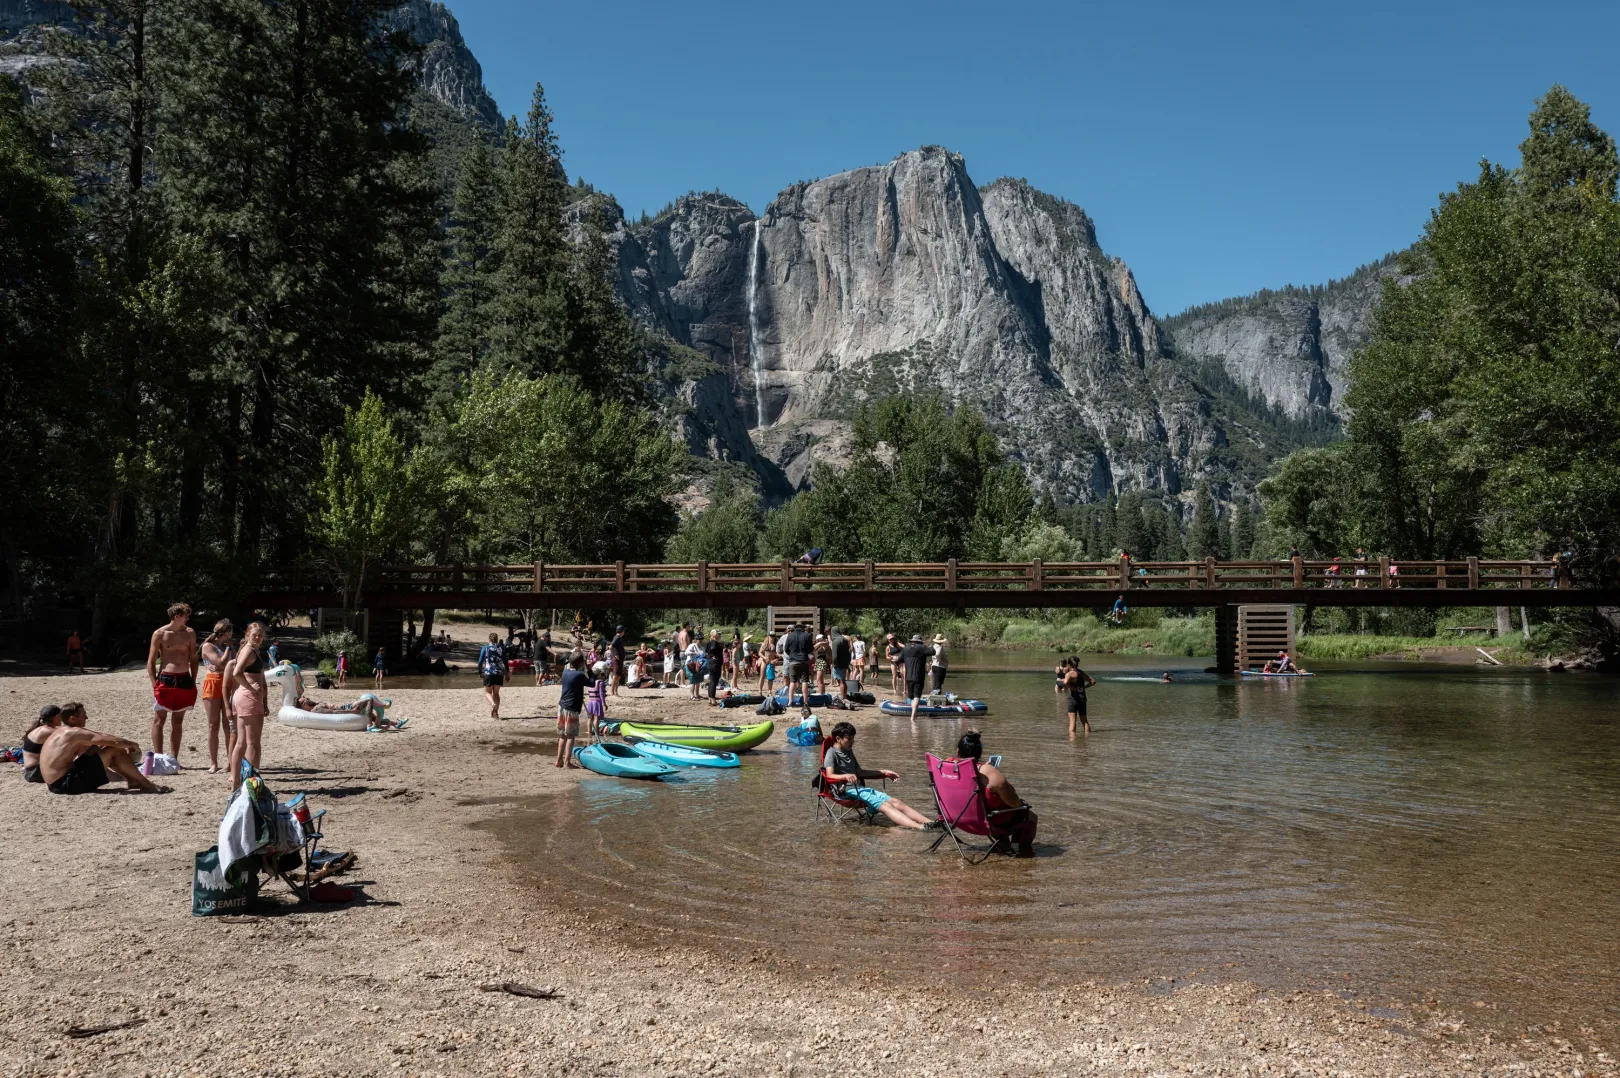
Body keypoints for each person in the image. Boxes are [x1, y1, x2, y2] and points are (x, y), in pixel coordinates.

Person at [819, 721, 936, 831]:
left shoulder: (848, 751)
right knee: (885, 806)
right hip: (845, 792)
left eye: (853, 738)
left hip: (859, 789)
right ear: (838, 739)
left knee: (896, 802)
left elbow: (860, 773)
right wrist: (845, 776)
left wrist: (883, 772)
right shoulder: (831, 753)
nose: (852, 742)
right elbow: (829, 775)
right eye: (849, 739)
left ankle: (931, 822)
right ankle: (919, 827)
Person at [39, 703, 171, 795]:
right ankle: (145, 783)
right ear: (72, 719)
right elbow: (113, 740)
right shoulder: (73, 733)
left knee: (99, 748)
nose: (86, 718)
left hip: (56, 782)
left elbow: (98, 742)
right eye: (83, 715)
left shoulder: (62, 730)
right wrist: (132, 745)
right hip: (65, 784)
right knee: (114, 749)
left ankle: (132, 780)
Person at [953, 730, 1036, 857]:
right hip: (986, 823)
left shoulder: (947, 768)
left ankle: (1003, 844)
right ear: (980, 753)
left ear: (958, 751)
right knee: (1030, 815)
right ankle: (1022, 853)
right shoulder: (989, 773)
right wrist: (990, 771)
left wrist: (983, 768)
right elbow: (1014, 802)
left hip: (956, 819)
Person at [146, 602, 198, 760]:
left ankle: (174, 758)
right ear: (177, 616)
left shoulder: (189, 633)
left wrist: (193, 680)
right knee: (159, 718)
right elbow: (151, 661)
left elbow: (194, 658)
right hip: (165, 678)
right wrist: (154, 682)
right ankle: (159, 756)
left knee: (178, 720)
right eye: (186, 615)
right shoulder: (160, 633)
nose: (188, 618)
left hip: (184, 678)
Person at [224, 621, 271, 788]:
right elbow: (237, 673)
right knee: (251, 743)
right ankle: (250, 782)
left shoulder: (253, 651)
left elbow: (260, 677)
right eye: (255, 635)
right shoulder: (248, 650)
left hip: (250, 698)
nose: (258, 637)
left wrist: (264, 701)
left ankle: (238, 781)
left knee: (244, 742)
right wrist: (251, 687)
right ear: (247, 636)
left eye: (260, 635)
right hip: (248, 697)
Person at [199, 619, 235, 774]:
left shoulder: (229, 646)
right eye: (230, 632)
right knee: (213, 725)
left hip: (228, 683)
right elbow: (221, 663)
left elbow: (233, 663)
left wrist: (229, 650)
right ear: (225, 633)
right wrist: (227, 650)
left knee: (229, 725)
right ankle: (213, 763)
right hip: (213, 683)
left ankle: (229, 762)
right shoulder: (209, 646)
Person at [555, 653, 593, 768]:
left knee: (563, 735)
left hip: (562, 707)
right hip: (571, 708)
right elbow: (591, 683)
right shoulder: (579, 675)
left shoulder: (565, 672)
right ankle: (567, 762)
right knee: (571, 735)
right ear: (580, 663)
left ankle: (559, 761)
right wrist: (589, 669)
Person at [19, 704, 63, 783]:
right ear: (57, 716)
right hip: (34, 772)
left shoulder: (41, 728)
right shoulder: (48, 731)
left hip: (30, 771)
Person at [783, 621, 814, 714]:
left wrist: (792, 655)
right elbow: (811, 649)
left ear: (795, 627)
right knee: (804, 681)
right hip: (804, 660)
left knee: (792, 681)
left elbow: (786, 649)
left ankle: (790, 701)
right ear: (803, 627)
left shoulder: (790, 635)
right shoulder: (807, 635)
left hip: (793, 661)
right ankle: (805, 702)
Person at [1060, 657, 1095, 737]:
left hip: (1073, 698)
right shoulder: (1081, 673)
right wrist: (1084, 687)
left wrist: (1063, 683)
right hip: (1082, 697)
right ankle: (1088, 738)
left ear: (1069, 665)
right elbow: (1093, 681)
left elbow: (1065, 683)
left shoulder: (1069, 674)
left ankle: (1072, 741)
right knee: (1084, 721)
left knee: (1072, 720)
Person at [900, 633, 932, 721]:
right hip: (918, 676)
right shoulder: (922, 648)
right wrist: (930, 646)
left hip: (908, 677)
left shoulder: (905, 648)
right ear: (920, 641)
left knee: (911, 697)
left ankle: (914, 714)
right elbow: (933, 652)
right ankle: (913, 716)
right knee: (917, 696)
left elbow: (899, 660)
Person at [478, 632, 508, 719]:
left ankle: (492, 704)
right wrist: (507, 673)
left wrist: (480, 671)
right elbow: (505, 661)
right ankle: (495, 713)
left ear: (489, 639)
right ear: (497, 639)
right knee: (496, 693)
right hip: (499, 673)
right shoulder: (501, 648)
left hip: (489, 672)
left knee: (487, 692)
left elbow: (480, 661)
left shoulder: (486, 648)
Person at [829, 626, 852, 701]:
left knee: (841, 681)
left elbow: (834, 654)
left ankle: (843, 697)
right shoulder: (845, 640)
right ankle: (844, 696)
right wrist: (848, 662)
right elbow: (848, 652)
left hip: (838, 663)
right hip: (845, 663)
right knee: (843, 680)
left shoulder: (835, 641)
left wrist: (834, 664)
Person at [703, 630, 725, 705]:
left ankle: (710, 698)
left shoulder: (709, 643)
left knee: (712, 681)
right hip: (714, 664)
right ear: (714, 635)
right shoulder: (714, 642)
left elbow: (706, 653)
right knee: (714, 681)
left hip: (710, 663)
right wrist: (714, 656)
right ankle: (712, 699)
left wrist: (710, 656)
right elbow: (712, 649)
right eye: (718, 634)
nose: (719, 635)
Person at [609, 626, 627, 697]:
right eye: (624, 631)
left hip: (620, 660)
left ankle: (616, 692)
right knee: (616, 676)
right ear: (622, 631)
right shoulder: (617, 637)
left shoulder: (618, 638)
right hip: (617, 660)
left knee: (618, 676)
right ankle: (612, 692)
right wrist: (614, 656)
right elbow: (610, 647)